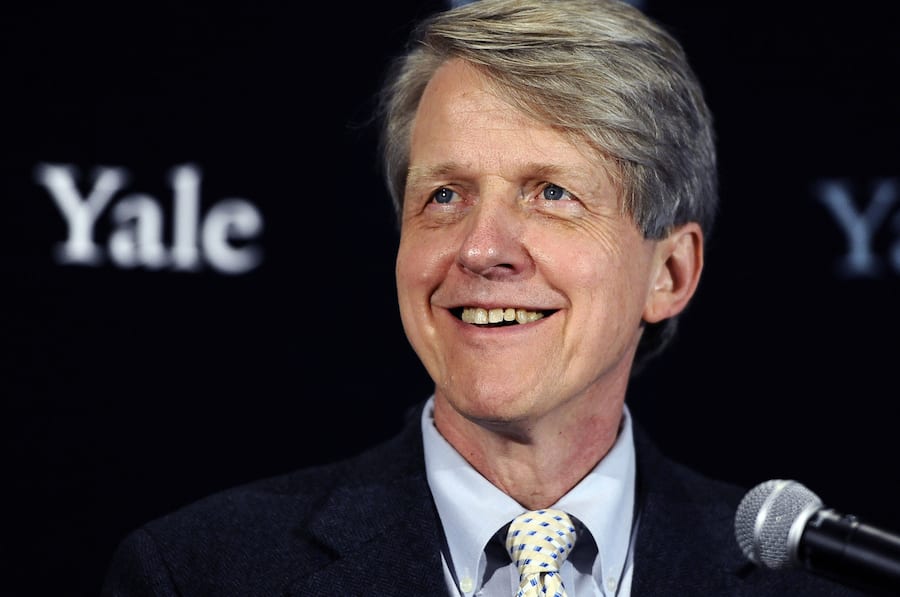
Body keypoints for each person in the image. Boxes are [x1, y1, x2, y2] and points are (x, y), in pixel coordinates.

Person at [101, 1, 869, 595]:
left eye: (552, 193)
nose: (479, 247)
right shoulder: (200, 573)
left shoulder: (808, 583)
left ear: (669, 272)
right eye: (444, 195)